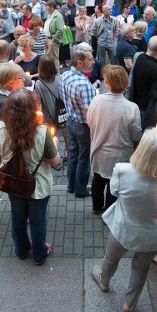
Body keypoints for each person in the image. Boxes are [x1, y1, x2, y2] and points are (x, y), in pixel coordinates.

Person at [91, 128, 157, 312]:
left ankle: (104, 281)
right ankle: (129, 305)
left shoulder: (123, 171)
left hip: (123, 228)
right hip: (154, 234)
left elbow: (114, 192)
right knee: (141, 269)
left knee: (111, 259)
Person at [0, 89, 61, 265]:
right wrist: (56, 144)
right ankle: (39, 254)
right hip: (38, 185)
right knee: (38, 222)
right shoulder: (41, 132)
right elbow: (55, 162)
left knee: (18, 218)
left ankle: (21, 250)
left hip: (12, 183)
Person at [88, 65, 142, 214]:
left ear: (108, 84)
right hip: (121, 154)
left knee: (98, 181)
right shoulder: (132, 108)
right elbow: (136, 134)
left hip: (99, 150)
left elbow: (90, 122)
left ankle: (97, 207)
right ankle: (109, 213)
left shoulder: (96, 100)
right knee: (115, 185)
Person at [60, 43, 96, 197]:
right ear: (80, 62)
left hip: (71, 121)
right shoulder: (84, 85)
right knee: (83, 158)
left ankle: (71, 186)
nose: (93, 62)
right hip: (82, 126)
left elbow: (62, 97)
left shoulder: (65, 75)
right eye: (90, 59)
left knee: (73, 154)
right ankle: (80, 190)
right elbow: (89, 114)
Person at [33, 55, 68, 158]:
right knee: (67, 135)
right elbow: (63, 96)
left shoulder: (39, 84)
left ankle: (55, 158)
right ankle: (69, 154)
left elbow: (38, 103)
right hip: (62, 113)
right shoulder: (60, 78)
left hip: (49, 116)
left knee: (52, 137)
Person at [128, 35, 157, 121]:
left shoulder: (140, 57)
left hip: (135, 101)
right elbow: (156, 92)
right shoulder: (156, 69)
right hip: (146, 107)